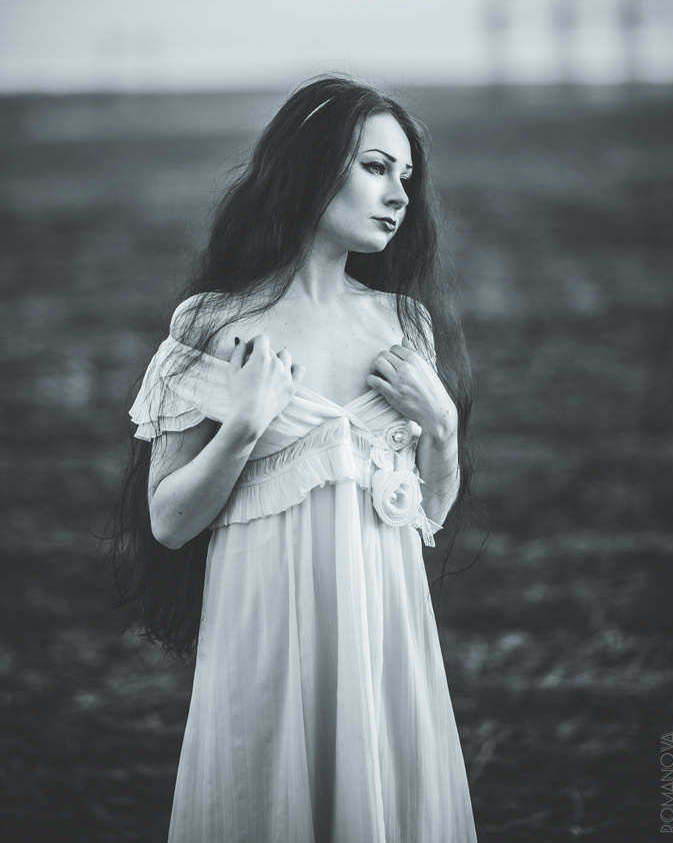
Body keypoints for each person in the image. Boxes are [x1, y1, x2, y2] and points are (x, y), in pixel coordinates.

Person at [113, 75, 478, 842]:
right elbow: (169, 521)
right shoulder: (215, 324)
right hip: (265, 638)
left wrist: (441, 426)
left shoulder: (403, 325)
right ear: (313, 167)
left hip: (383, 635)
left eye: (406, 176)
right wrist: (243, 426)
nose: (399, 194)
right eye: (375, 167)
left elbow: (425, 516)